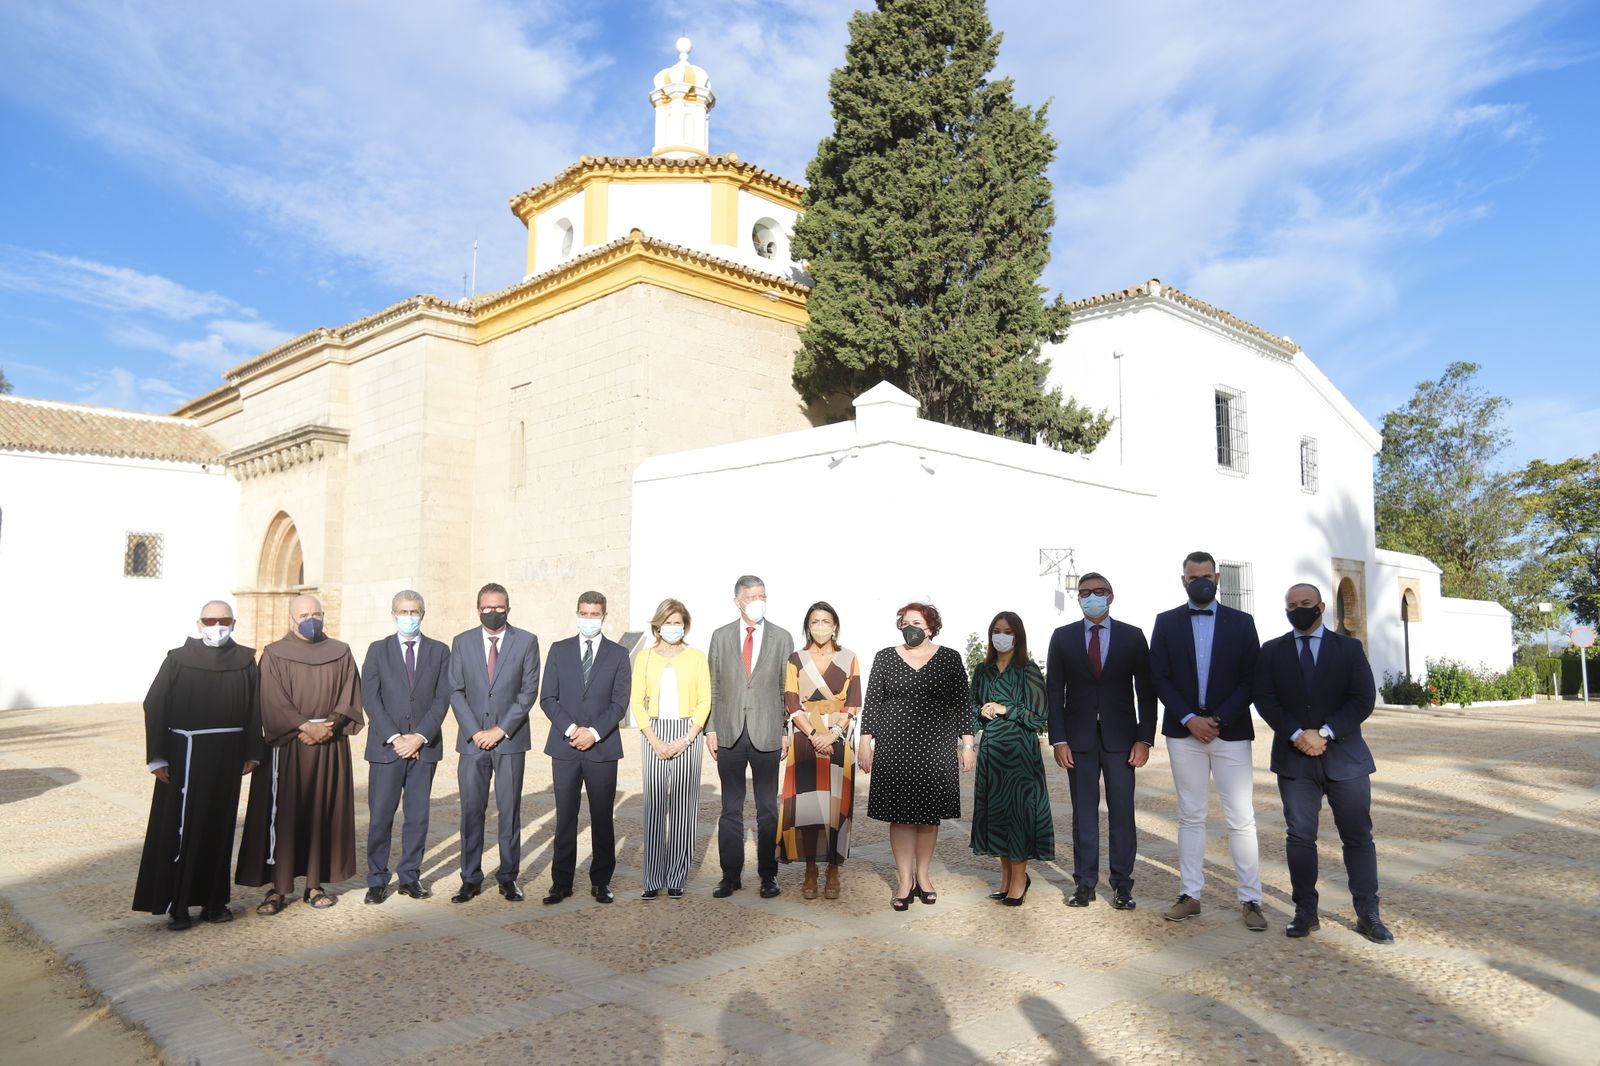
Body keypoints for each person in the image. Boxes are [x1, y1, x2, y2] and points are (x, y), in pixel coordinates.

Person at [1255, 582, 1392, 944]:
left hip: (1345, 758)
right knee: (1300, 838)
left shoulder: (1348, 648)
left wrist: (1326, 732)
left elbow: (1363, 698)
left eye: (1306, 603)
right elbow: (1265, 699)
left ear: (1320, 607)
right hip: (1294, 759)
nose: (1299, 608)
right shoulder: (1272, 651)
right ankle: (1305, 911)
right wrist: (1297, 733)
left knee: (1358, 837)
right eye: (1292, 604)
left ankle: (1368, 913)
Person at [1150, 552, 1266, 931]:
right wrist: (1189, 718)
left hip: (1229, 732)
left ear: (1217, 578)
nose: (1200, 581)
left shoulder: (1243, 623)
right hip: (1184, 734)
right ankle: (1190, 894)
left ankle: (1251, 898)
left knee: (1241, 818)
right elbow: (1160, 676)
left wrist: (1217, 719)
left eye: (1206, 575)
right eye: (1192, 576)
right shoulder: (1166, 623)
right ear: (1183, 580)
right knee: (1190, 815)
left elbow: (1252, 679)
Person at [133, 601, 262, 930]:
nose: (217, 625)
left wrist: (252, 751)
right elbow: (155, 704)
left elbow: (254, 709)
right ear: (199, 623)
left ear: (233, 622)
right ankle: (178, 905)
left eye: (224, 620)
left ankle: (214, 903)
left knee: (219, 828)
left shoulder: (246, 661)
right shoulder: (177, 659)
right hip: (185, 755)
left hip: (228, 757)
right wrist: (158, 756)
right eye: (210, 620)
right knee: (183, 828)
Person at [236, 594, 364, 914]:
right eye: (304, 614)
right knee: (285, 816)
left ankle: (314, 884)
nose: (311, 618)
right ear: (291, 619)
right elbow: (269, 698)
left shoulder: (341, 652)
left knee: (323, 812)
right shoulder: (275, 654)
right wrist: (303, 725)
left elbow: (350, 693)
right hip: (289, 747)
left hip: (328, 746)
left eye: (316, 613)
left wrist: (329, 725)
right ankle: (278, 888)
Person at [1046, 572, 1155, 911]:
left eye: (1098, 592)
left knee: (1122, 813)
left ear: (1111, 596)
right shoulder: (1062, 637)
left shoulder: (1132, 637)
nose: (1090, 597)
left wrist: (1145, 739)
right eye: (1084, 592)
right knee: (1084, 815)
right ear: (1078, 598)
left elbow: (1146, 692)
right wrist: (1058, 739)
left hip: (1121, 739)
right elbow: (1054, 691)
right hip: (1077, 740)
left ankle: (1122, 885)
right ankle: (1085, 884)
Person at [860, 603, 973, 911]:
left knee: (927, 816)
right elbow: (872, 702)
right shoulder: (884, 657)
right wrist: (864, 742)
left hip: (935, 746)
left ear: (930, 627)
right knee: (900, 815)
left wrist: (967, 744)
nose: (910, 626)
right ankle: (904, 880)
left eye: (917, 621)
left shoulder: (950, 658)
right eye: (905, 622)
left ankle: (923, 876)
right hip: (894, 746)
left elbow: (962, 702)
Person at [447, 582, 540, 903]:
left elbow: (528, 692)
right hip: (471, 743)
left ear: (508, 608)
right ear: (478, 609)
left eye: (499, 607)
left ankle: (508, 877)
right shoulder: (462, 642)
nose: (493, 612)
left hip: (510, 742)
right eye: (487, 607)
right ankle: (470, 878)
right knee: (472, 811)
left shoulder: (527, 641)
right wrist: (475, 731)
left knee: (509, 811)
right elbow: (455, 690)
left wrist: (500, 730)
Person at [359, 590, 452, 904]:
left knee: (418, 816)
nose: (408, 616)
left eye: (414, 611)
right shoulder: (377, 650)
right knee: (381, 817)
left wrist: (420, 736)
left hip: (423, 748)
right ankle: (377, 879)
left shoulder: (440, 651)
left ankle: (410, 877)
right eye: (402, 611)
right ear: (393, 614)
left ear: (422, 614)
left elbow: (442, 698)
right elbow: (370, 697)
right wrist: (396, 737)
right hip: (386, 748)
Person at [539, 590, 631, 905]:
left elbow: (620, 703)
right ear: (576, 613)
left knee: (602, 816)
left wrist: (593, 732)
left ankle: (601, 881)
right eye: (584, 613)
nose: (589, 619)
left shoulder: (618, 654)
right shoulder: (559, 650)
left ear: (604, 615)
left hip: (601, 748)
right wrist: (571, 729)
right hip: (564, 747)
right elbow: (547, 698)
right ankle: (560, 882)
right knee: (566, 815)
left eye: (595, 614)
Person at [706, 574, 795, 900]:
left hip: (768, 732)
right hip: (729, 732)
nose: (758, 601)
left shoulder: (782, 638)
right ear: (738, 601)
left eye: (763, 595)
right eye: (752, 596)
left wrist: (786, 730)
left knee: (768, 808)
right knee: (730, 808)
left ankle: (768, 875)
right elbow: (713, 685)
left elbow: (788, 689)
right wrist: (711, 728)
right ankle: (730, 876)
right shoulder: (720, 637)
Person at [777, 602, 862, 900]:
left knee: (837, 806)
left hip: (838, 737)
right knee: (809, 808)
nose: (821, 626)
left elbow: (853, 702)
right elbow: (791, 701)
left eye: (826, 621)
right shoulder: (796, 659)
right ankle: (810, 869)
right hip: (805, 735)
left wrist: (834, 733)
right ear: (807, 625)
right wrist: (814, 734)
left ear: (835, 626)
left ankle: (834, 869)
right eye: (815, 621)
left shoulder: (849, 658)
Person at [629, 597, 711, 899]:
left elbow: (705, 700)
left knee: (683, 809)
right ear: (657, 625)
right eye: (668, 622)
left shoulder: (697, 657)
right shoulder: (645, 658)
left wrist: (687, 738)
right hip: (654, 731)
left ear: (684, 626)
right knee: (654, 808)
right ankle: (652, 879)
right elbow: (637, 700)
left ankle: (676, 876)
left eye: (678, 623)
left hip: (687, 731)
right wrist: (654, 740)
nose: (672, 627)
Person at [970, 611, 1052, 907]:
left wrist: (1006, 709)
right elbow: (972, 705)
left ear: (1017, 635)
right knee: (997, 816)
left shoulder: (1028, 670)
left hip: (1020, 756)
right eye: (996, 630)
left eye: (1007, 630)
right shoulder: (983, 670)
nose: (1001, 635)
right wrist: (981, 712)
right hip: (991, 754)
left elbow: (1039, 717)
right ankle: (1005, 878)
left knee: (1018, 816)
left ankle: (1019, 880)